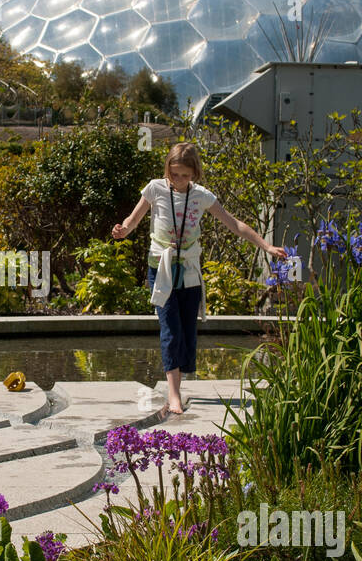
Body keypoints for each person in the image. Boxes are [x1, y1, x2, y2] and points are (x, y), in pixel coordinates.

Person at [112, 142, 287, 416]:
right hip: (162, 268)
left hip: (190, 270)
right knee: (170, 328)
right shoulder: (155, 188)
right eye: (174, 174)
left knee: (186, 330)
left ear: (195, 173)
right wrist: (123, 230)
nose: (179, 180)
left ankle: (177, 385)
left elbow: (234, 224)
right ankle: (174, 395)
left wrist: (266, 246)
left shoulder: (202, 196)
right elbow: (133, 219)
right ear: (167, 171)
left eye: (185, 175)